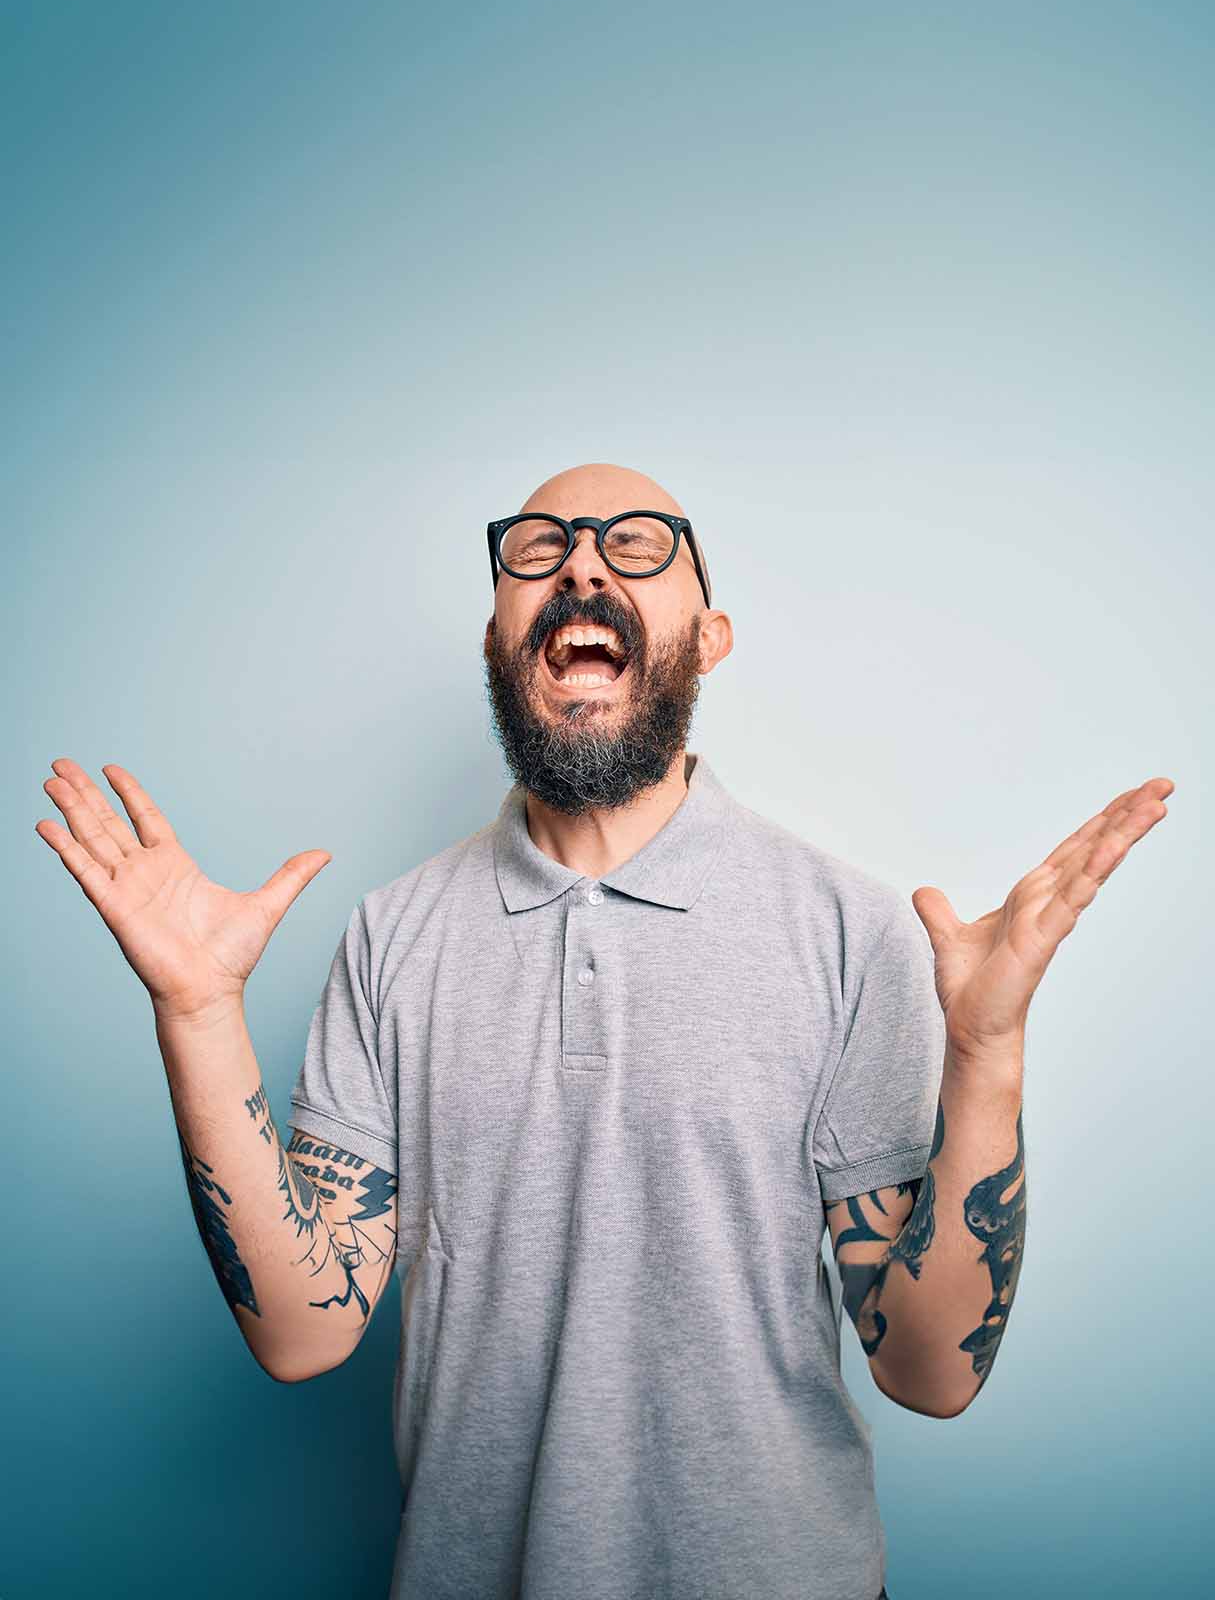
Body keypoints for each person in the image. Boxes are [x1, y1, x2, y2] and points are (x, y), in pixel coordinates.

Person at [36, 460, 1173, 1600]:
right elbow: (301, 1333)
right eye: (537, 548)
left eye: (636, 544)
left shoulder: (847, 929)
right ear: (500, 637)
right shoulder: (392, 937)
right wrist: (196, 1014)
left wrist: (986, 1058)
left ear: (710, 635)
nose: (580, 562)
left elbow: (931, 1373)